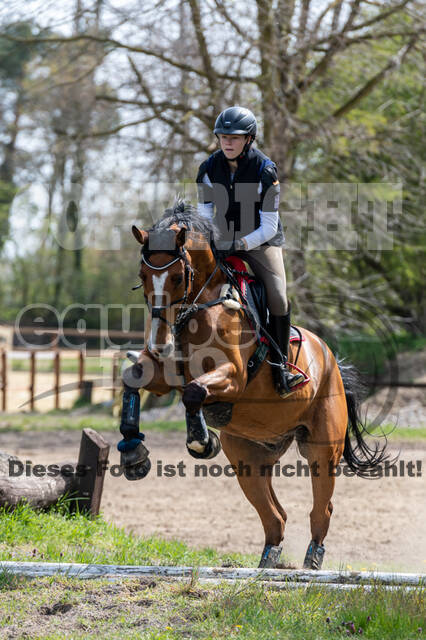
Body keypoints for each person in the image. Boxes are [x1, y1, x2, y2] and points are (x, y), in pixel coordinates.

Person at [196, 105, 304, 398]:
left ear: (248, 139)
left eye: (235, 137)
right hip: (222, 239)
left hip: (261, 242)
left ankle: (282, 367)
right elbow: (204, 216)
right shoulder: (208, 170)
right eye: (223, 137)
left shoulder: (265, 170)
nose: (227, 142)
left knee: (278, 297)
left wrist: (241, 244)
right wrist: (209, 241)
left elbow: (268, 226)